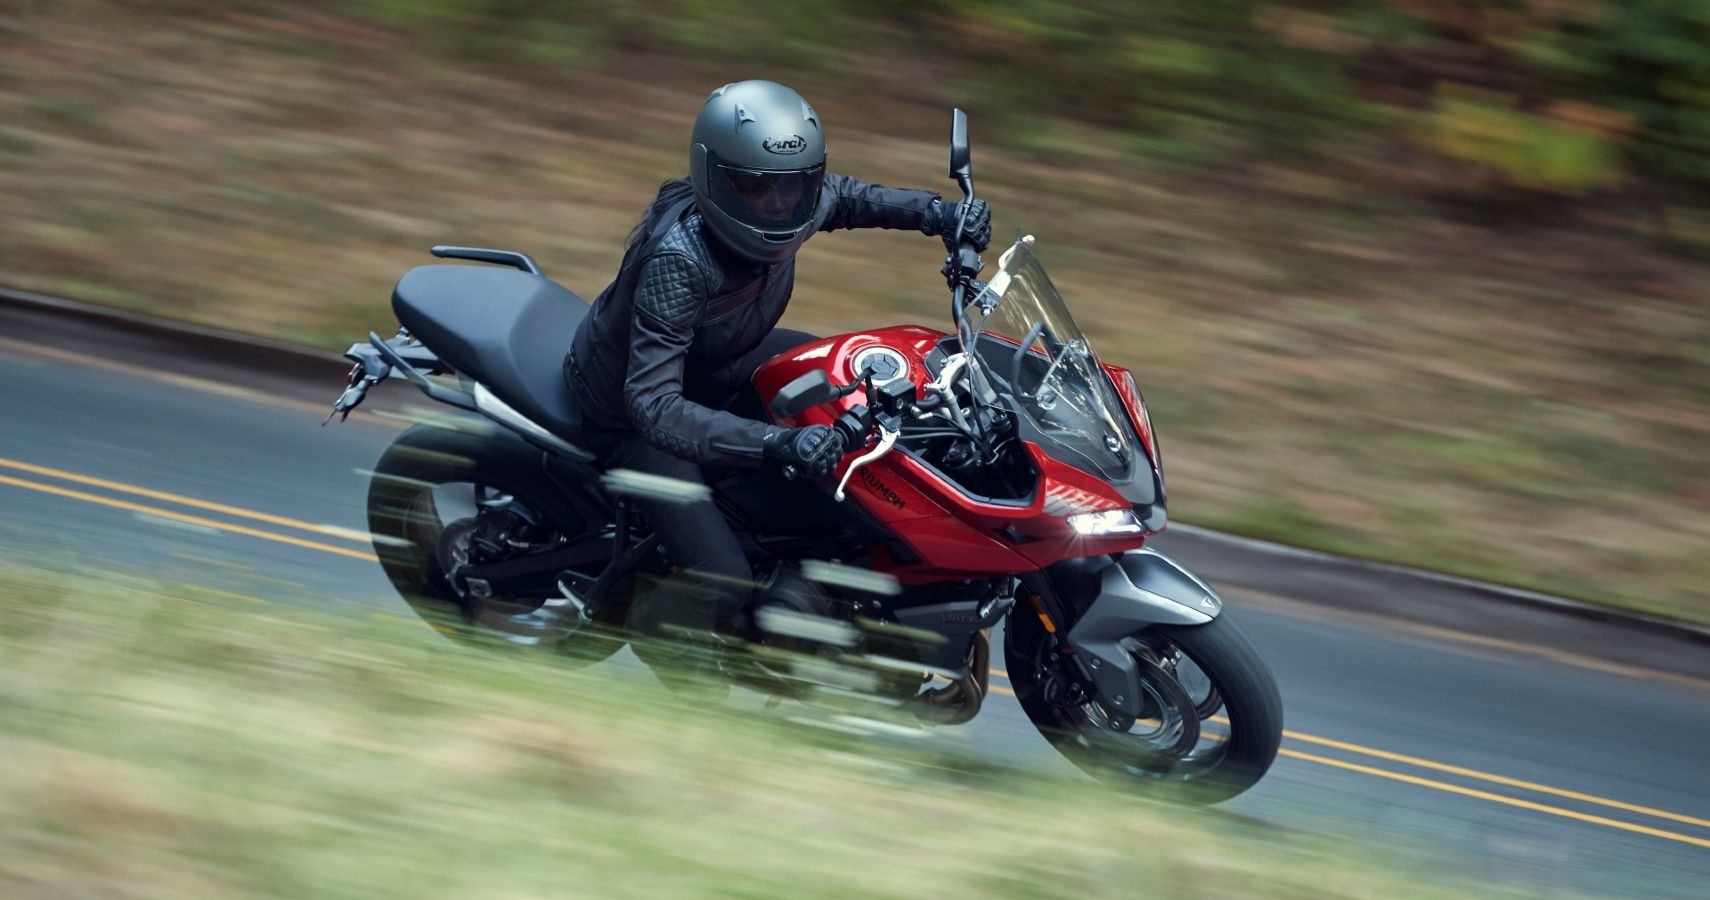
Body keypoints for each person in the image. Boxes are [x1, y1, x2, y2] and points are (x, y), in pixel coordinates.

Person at [563, 80, 991, 645]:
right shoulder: (679, 261)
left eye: (796, 187)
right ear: (715, 178)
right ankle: (674, 636)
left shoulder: (797, 204)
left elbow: (852, 196)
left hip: (718, 362)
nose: (780, 204)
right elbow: (654, 406)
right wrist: (775, 445)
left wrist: (940, 214)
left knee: (853, 383)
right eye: (757, 188)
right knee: (731, 587)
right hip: (631, 412)